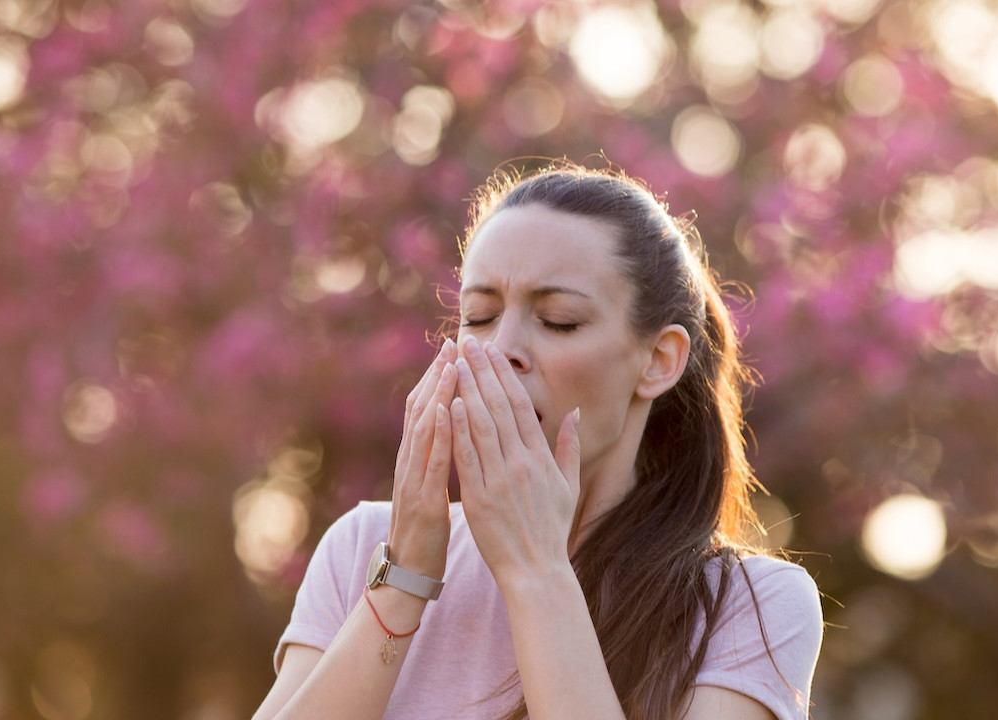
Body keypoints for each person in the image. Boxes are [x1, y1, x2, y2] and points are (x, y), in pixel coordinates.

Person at [252, 162, 823, 720]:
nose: (501, 349)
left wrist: (536, 570)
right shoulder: (363, 550)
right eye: (479, 317)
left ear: (657, 360)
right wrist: (401, 584)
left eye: (558, 321)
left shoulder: (749, 605)